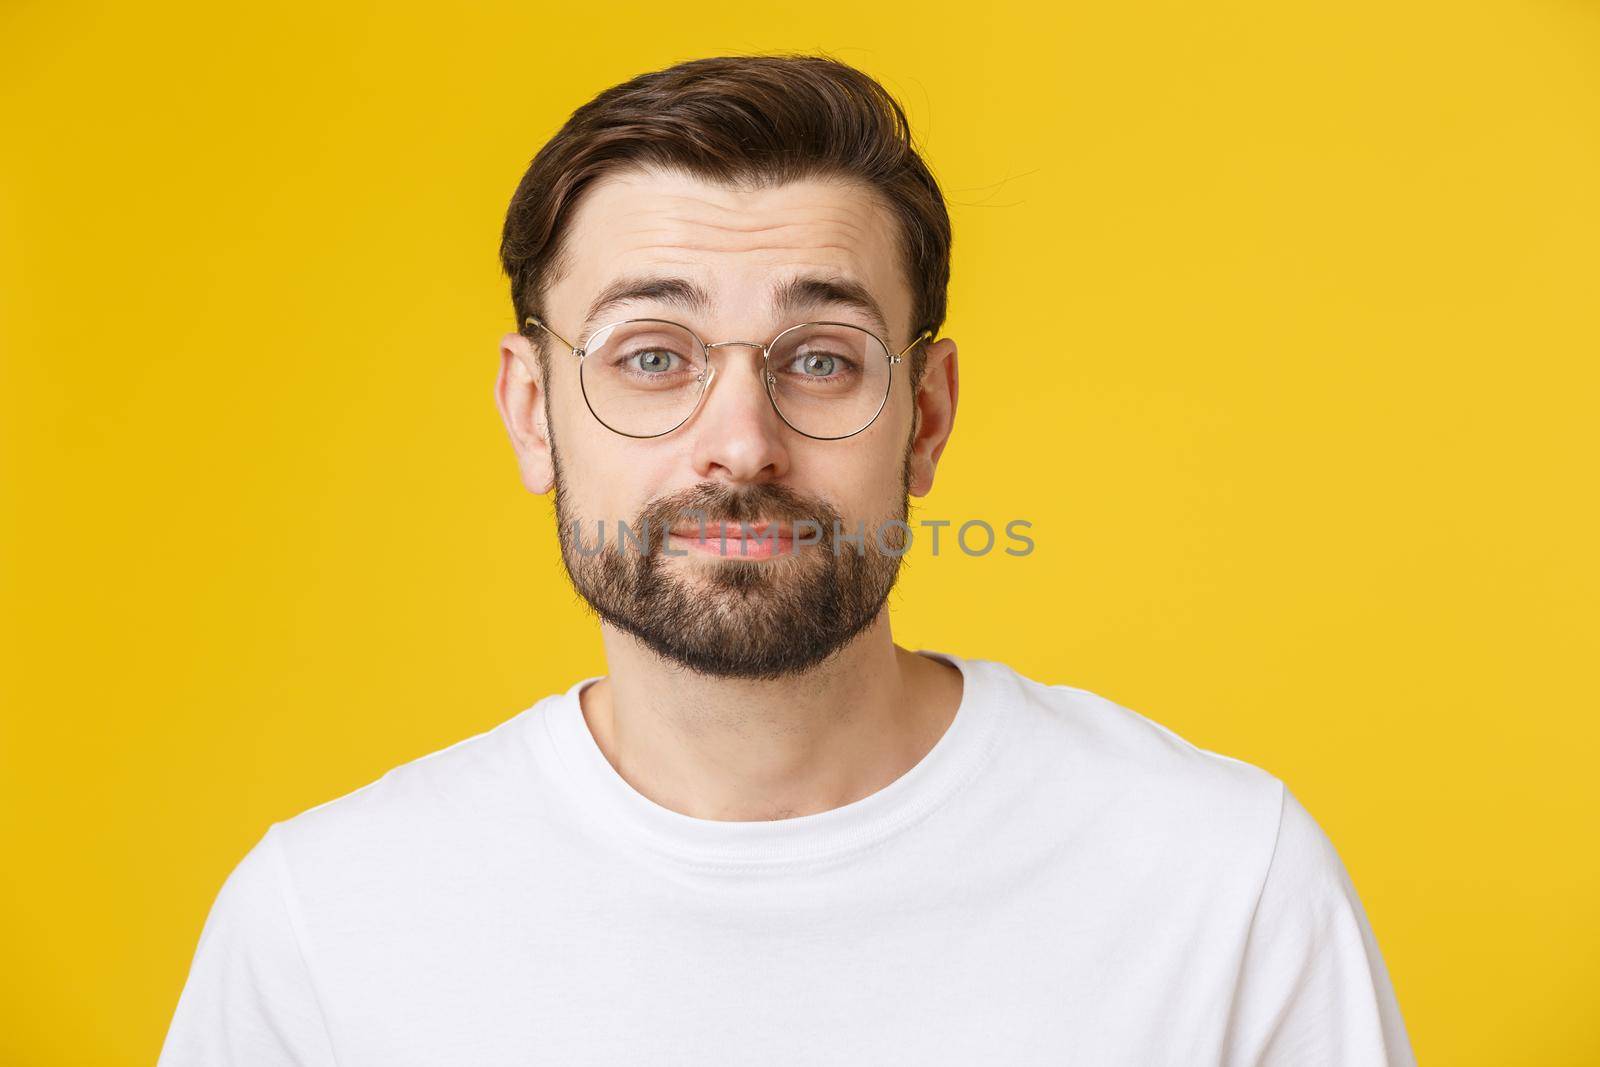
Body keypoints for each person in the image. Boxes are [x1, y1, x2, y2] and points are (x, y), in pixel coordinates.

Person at [158, 53, 1417, 1065]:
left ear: (923, 414)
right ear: (534, 412)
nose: (741, 444)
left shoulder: (1220, 879)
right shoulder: (325, 919)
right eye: (652, 353)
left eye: (819, 356)